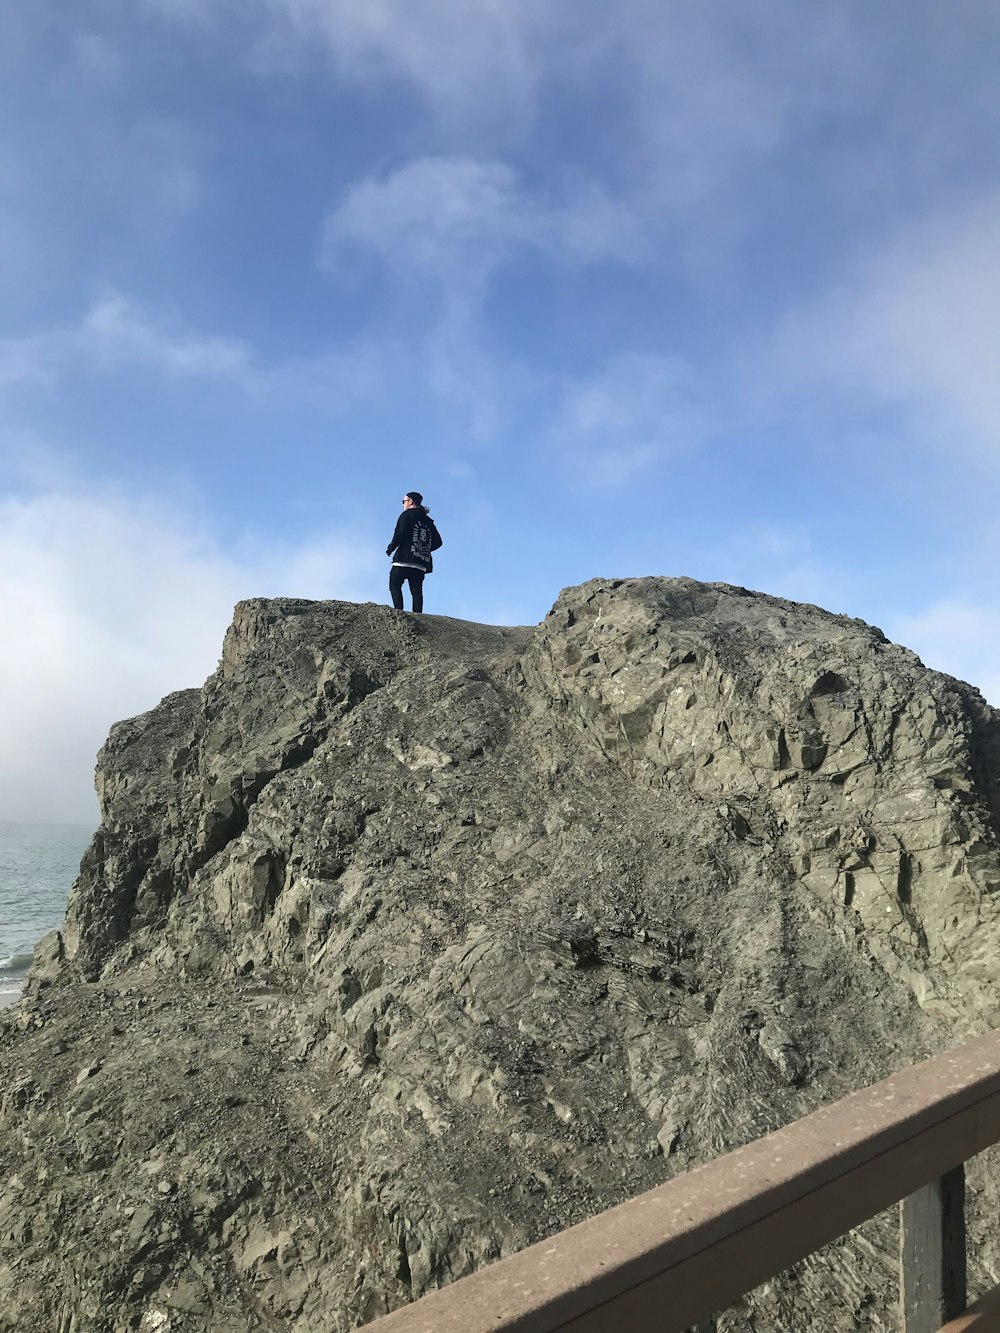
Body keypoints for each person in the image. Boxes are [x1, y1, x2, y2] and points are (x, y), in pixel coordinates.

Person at [386, 491, 443, 613]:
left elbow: (399, 534)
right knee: (416, 591)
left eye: (404, 501)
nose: (403, 504)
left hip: (404, 559)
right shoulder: (429, 521)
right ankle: (418, 616)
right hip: (421, 563)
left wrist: (391, 548)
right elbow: (438, 542)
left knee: (394, 584)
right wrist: (423, 548)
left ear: (411, 501)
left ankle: (399, 612)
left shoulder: (407, 515)